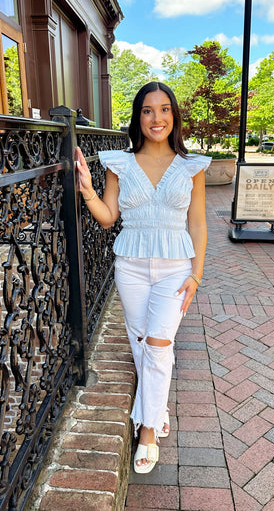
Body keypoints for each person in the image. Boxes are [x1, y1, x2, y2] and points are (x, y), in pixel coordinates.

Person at [76, 81, 210, 474]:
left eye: (165, 109)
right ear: (138, 116)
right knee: (142, 344)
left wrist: (196, 274)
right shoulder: (119, 163)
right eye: (148, 110)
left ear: (174, 116)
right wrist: (87, 191)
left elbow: (198, 224)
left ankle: (147, 429)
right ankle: (155, 406)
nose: (157, 118)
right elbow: (108, 217)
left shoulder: (191, 167)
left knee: (158, 342)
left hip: (175, 270)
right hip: (131, 267)